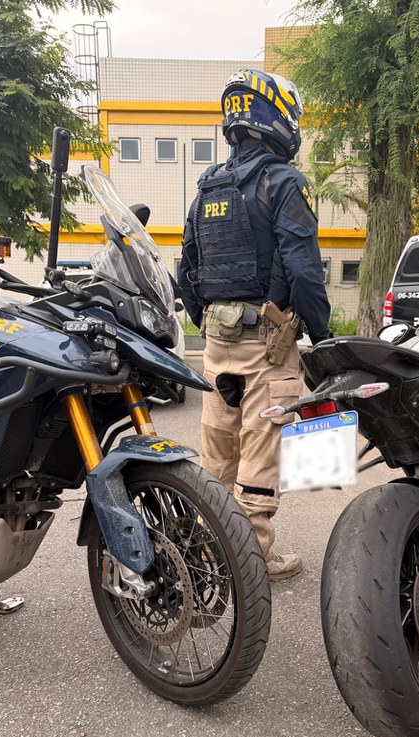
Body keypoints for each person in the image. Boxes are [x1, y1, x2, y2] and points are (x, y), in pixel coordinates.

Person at [178, 68, 331, 581]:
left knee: (218, 456)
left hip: (216, 347)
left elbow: (186, 271)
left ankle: (208, 552)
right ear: (277, 118)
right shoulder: (284, 182)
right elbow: (304, 272)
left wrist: (209, 324)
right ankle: (252, 562)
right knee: (261, 458)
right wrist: (324, 340)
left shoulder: (207, 188)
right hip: (268, 349)